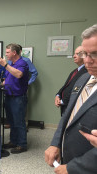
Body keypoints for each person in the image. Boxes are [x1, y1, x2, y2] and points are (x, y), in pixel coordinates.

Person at [45, 24, 97, 174]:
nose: (87, 61)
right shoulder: (84, 78)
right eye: (85, 54)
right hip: (69, 156)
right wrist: (55, 143)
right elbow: (68, 114)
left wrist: (74, 168)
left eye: (94, 54)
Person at [0, 43, 29, 154]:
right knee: (12, 121)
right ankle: (14, 141)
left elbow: (19, 74)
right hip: (9, 95)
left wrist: (5, 65)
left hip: (18, 97)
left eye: (8, 52)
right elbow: (8, 79)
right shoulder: (11, 64)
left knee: (19, 121)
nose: (6, 54)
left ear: (14, 52)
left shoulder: (22, 63)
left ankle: (22, 144)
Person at [55, 46, 87, 116]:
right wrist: (58, 95)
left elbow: (77, 89)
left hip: (72, 106)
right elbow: (66, 86)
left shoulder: (87, 72)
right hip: (65, 105)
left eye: (77, 54)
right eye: (74, 54)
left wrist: (63, 101)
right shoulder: (74, 71)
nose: (74, 56)